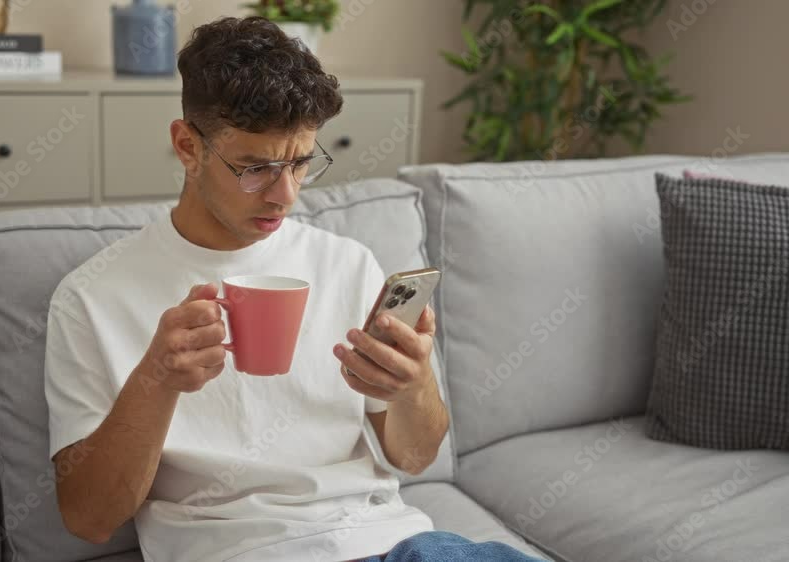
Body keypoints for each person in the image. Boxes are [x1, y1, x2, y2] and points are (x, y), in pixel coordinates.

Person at [44, 16, 544, 562]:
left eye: (301, 163)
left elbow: (416, 458)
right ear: (188, 147)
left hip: (399, 544)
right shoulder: (91, 296)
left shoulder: (349, 265)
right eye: (255, 168)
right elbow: (88, 519)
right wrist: (156, 381)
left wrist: (413, 386)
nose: (284, 195)